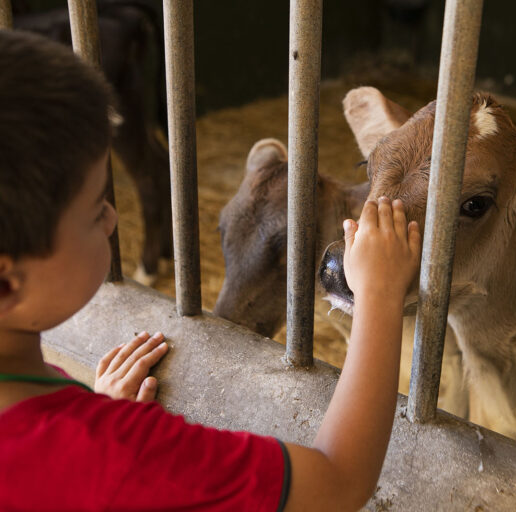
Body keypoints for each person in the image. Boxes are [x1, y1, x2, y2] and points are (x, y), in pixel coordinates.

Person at [0, 30, 421, 511]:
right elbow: (338, 482)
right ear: (7, 283)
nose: (115, 217)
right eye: (98, 209)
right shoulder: (123, 454)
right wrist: (380, 297)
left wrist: (95, 412)